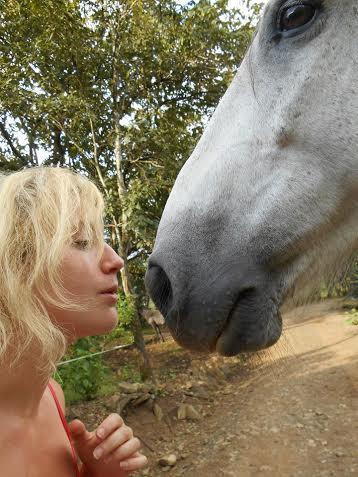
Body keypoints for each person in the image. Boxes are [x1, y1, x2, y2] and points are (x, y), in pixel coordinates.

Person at [0, 167, 148, 477]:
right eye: (82, 242)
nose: (116, 261)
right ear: (17, 265)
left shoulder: (52, 396)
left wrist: (96, 474)